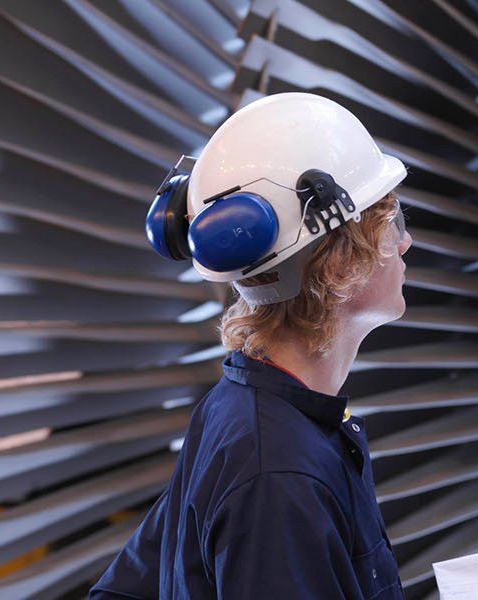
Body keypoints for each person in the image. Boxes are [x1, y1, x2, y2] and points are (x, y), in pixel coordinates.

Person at [90, 92, 414, 599]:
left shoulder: (238, 410)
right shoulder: (278, 476)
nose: (404, 243)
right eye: (390, 223)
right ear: (337, 266)